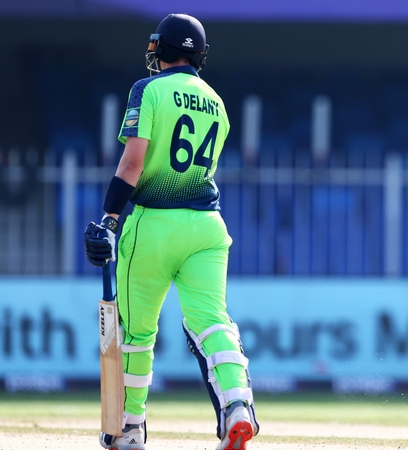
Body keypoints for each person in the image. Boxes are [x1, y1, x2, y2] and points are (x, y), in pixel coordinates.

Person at [83, 13, 259, 450]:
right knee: (212, 322)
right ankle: (238, 404)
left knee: (136, 333)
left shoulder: (149, 90)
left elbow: (133, 163)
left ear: (161, 49)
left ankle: (129, 428)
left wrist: (109, 219)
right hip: (206, 227)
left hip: (153, 224)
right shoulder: (216, 102)